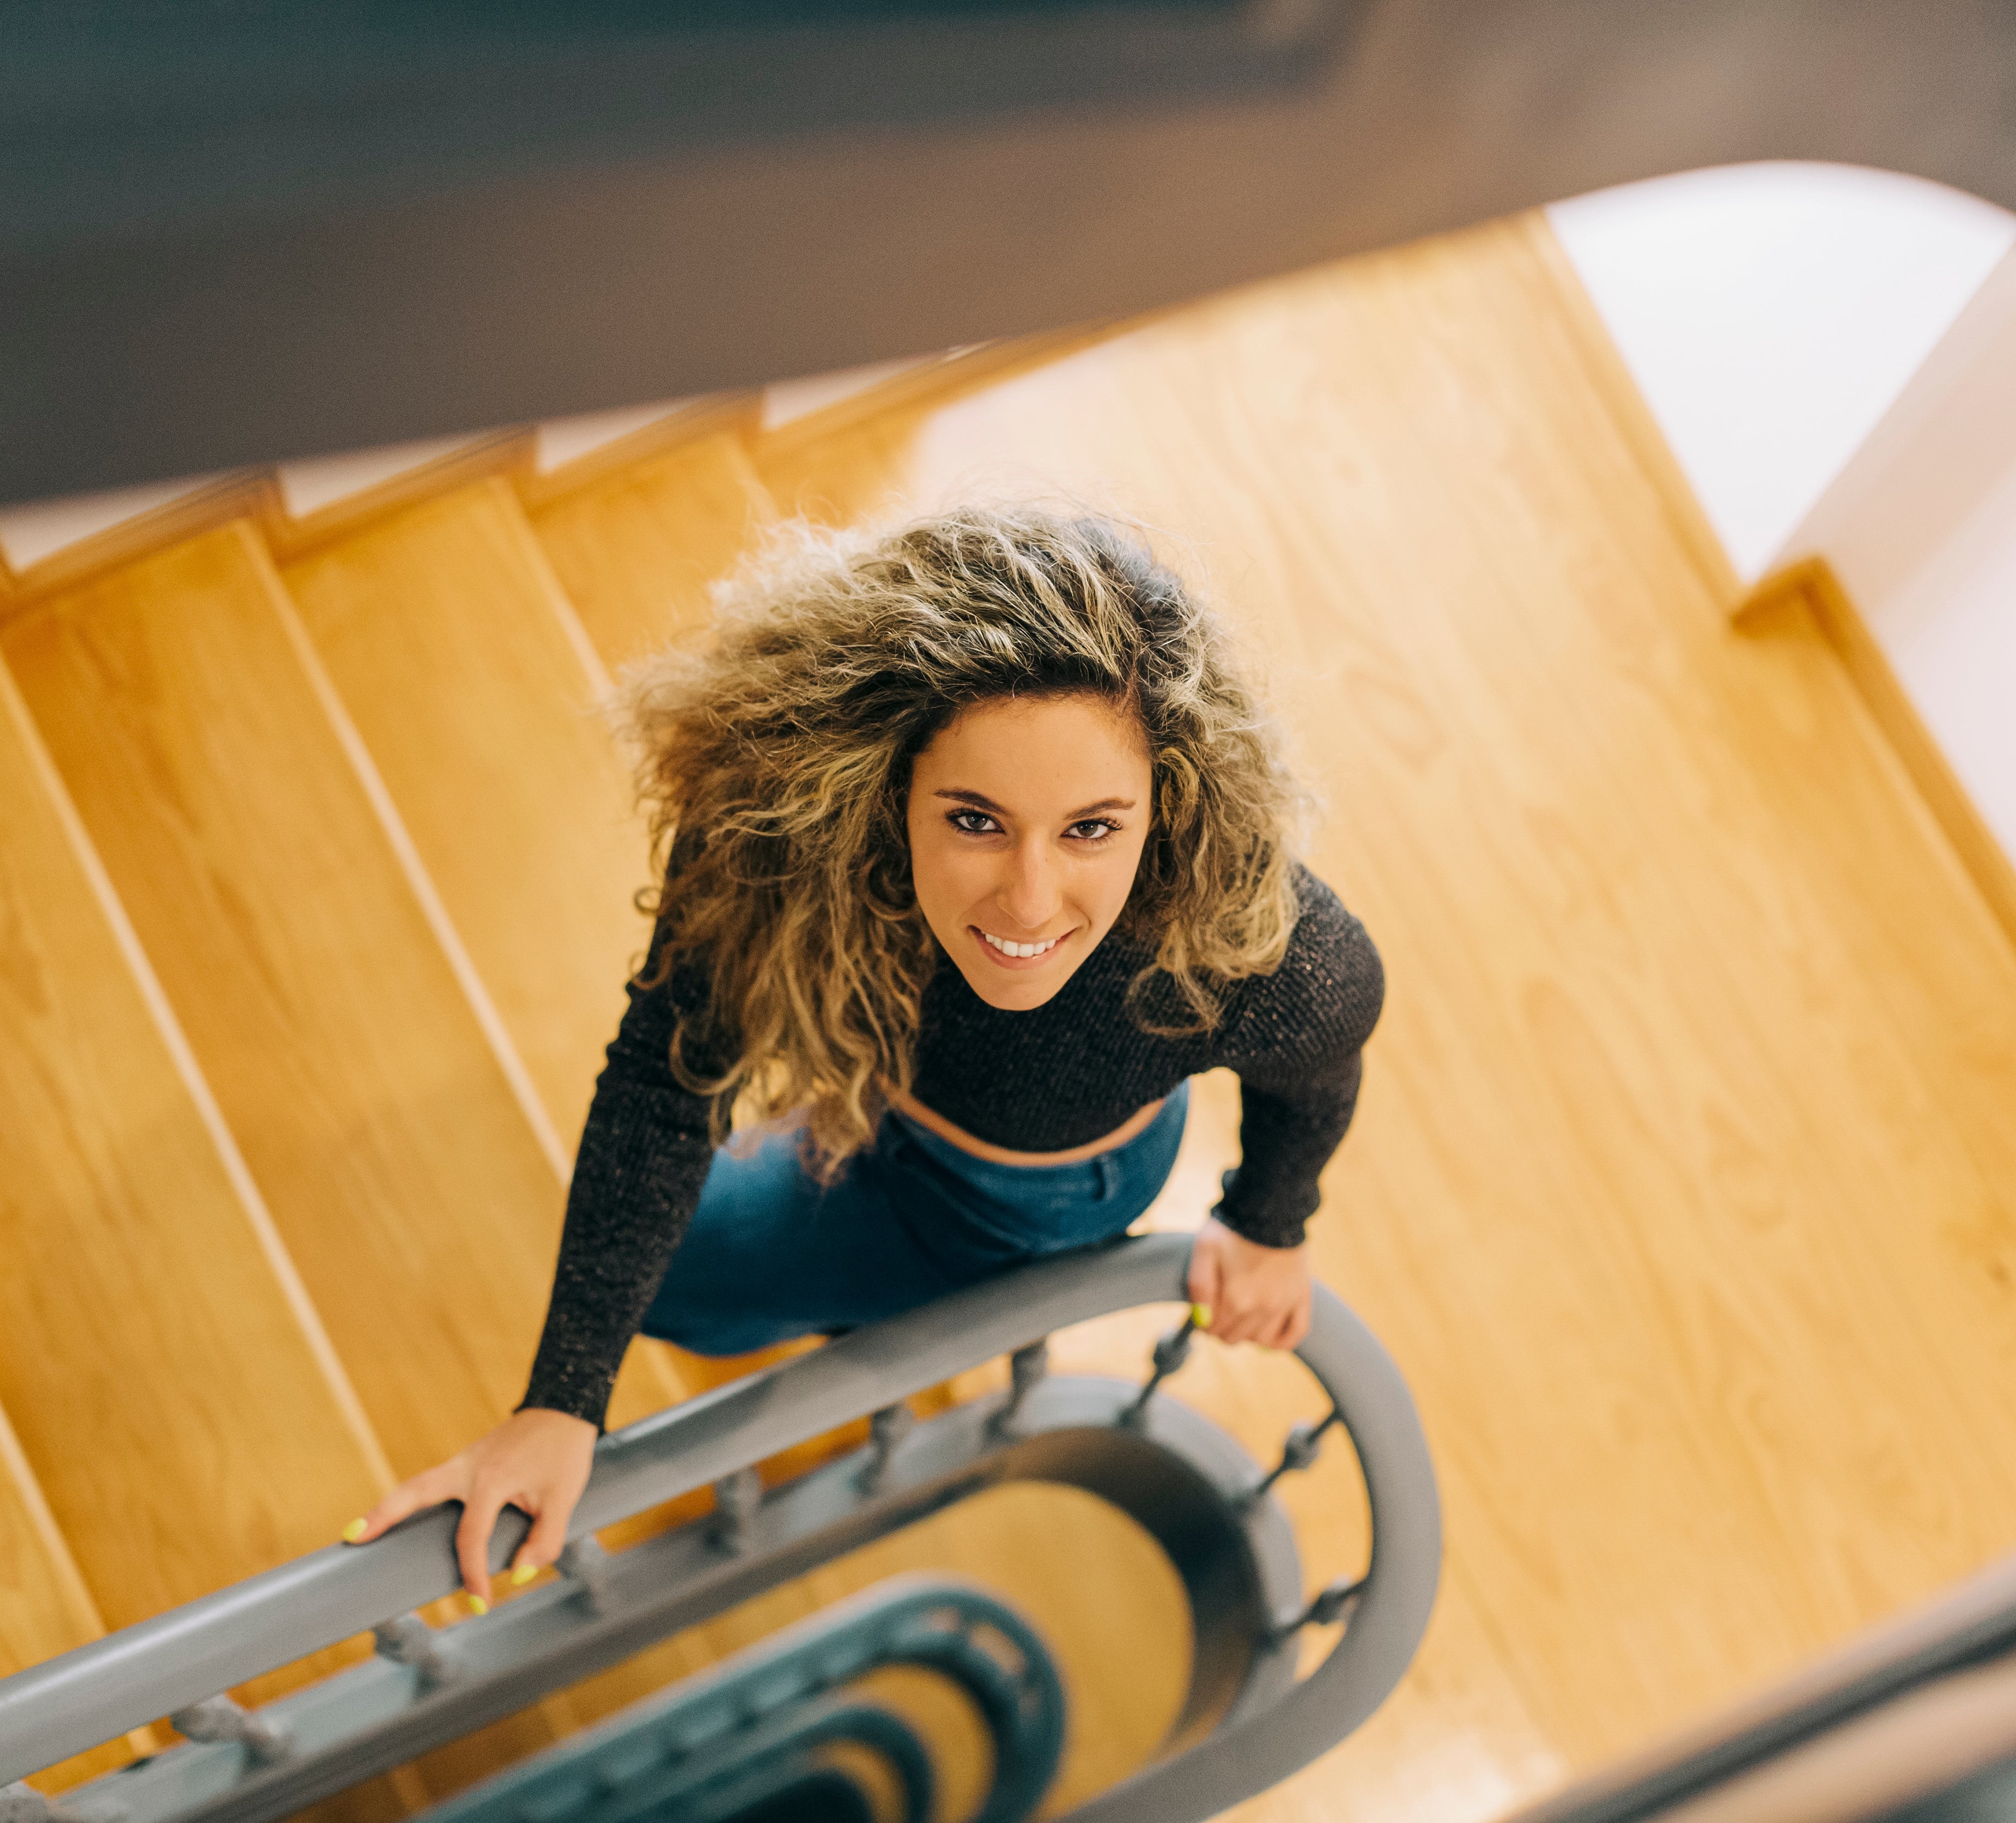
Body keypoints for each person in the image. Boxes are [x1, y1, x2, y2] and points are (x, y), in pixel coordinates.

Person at [348, 504, 1384, 1602]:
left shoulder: (1265, 947)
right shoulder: (771, 821)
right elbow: (667, 1076)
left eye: (1091, 827)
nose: (1030, 901)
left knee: (686, 1285)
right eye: (975, 819)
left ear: (1165, 804)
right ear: (887, 777)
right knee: (673, 1281)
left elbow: (1319, 1068)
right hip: (885, 1093)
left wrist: (1271, 1219)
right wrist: (561, 1399)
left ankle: (881, 1295)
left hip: (1030, 1192)